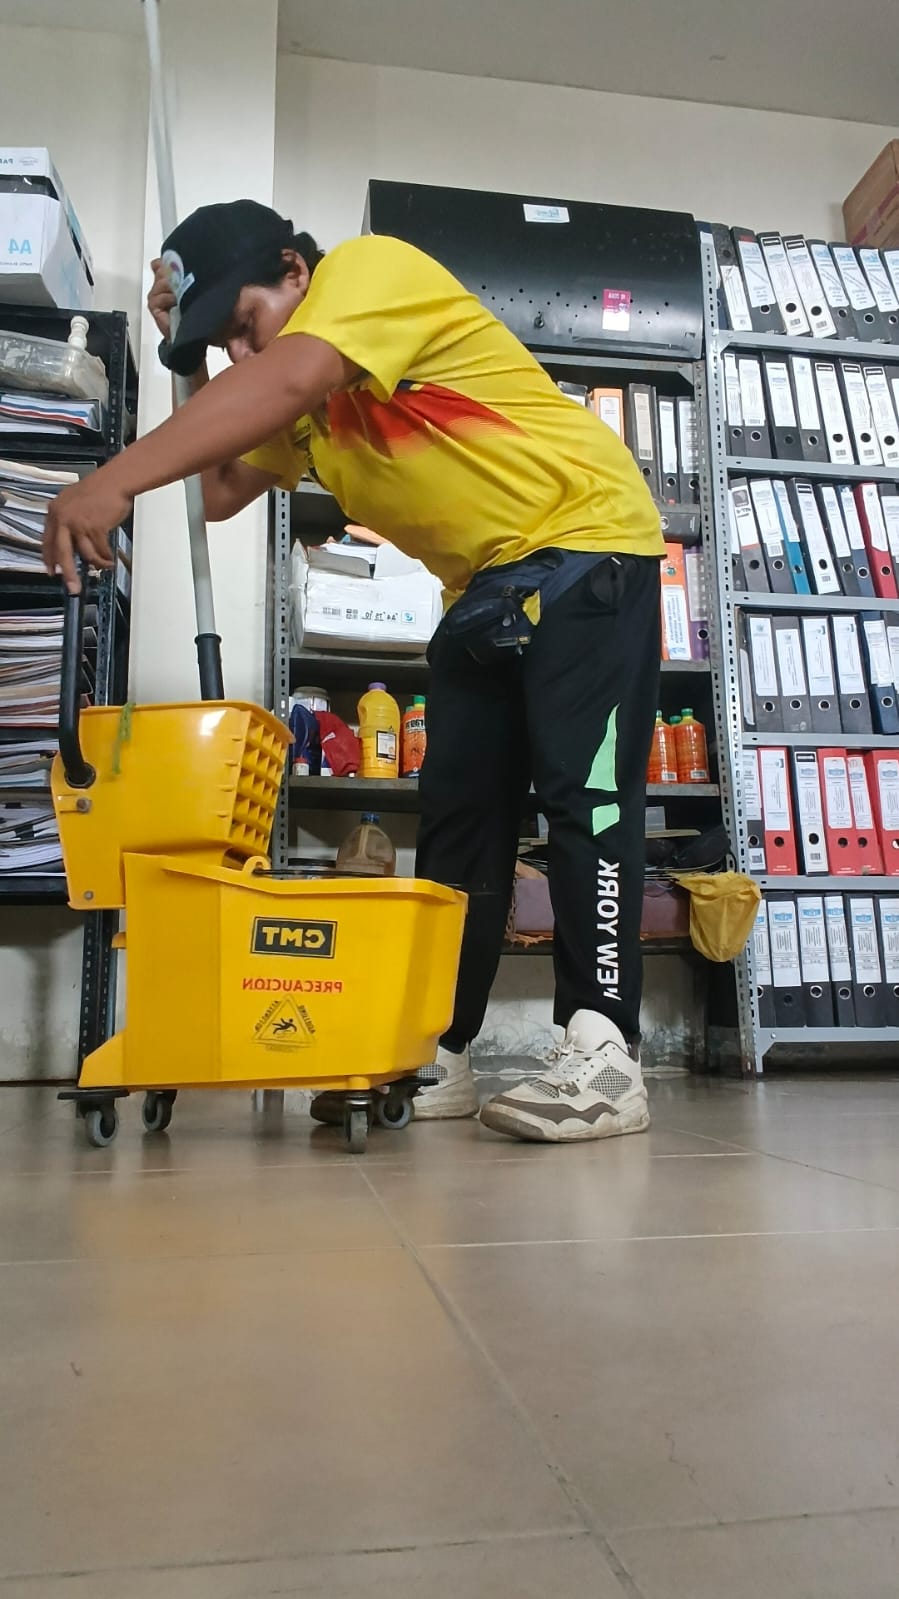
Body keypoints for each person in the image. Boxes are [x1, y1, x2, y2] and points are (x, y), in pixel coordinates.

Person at [43, 198, 665, 1144]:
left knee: (587, 801)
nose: (243, 353)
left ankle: (604, 1051)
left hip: (587, 547)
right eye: (229, 344)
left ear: (295, 271)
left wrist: (113, 476)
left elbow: (289, 372)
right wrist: (184, 353)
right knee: (459, 825)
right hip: (486, 590)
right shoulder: (305, 409)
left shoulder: (368, 272)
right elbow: (219, 490)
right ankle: (436, 1048)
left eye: (243, 324)